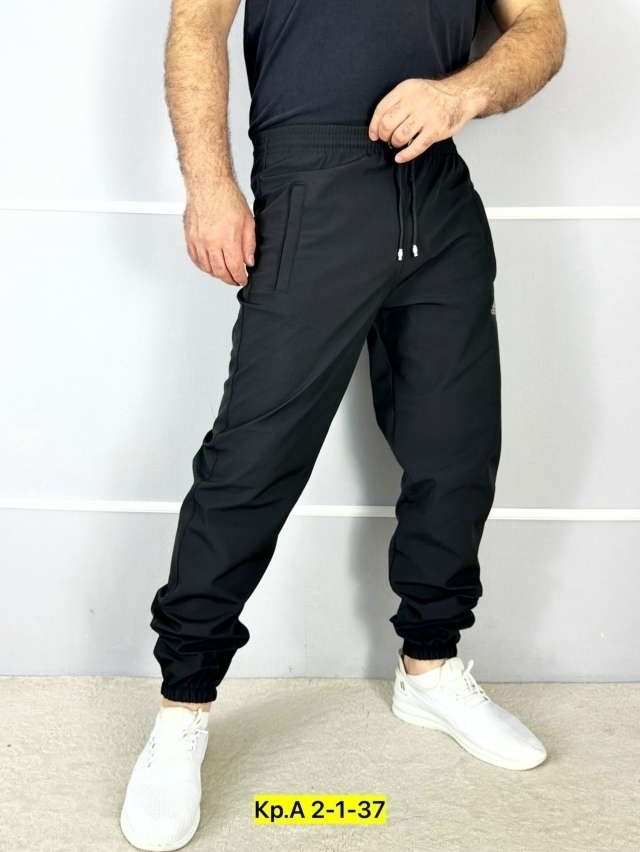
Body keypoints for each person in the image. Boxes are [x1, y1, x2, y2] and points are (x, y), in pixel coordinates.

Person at [119, 0, 567, 849]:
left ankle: (430, 667)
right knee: (252, 460)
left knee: (457, 449)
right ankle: (183, 707)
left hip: (438, 192)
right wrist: (210, 184)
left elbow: (540, 26)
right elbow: (197, 23)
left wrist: (461, 93)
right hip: (311, 187)